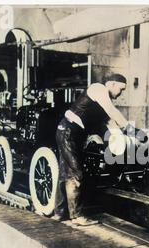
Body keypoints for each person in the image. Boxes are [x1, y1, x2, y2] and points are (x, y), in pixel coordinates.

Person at [53, 73, 129, 226]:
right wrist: (130, 128)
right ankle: (77, 216)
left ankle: (60, 214)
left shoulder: (99, 103)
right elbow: (112, 111)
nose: (120, 93)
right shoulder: (98, 88)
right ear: (112, 84)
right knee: (76, 174)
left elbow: (110, 124)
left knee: (64, 174)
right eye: (121, 89)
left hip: (69, 134)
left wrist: (125, 136)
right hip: (68, 133)